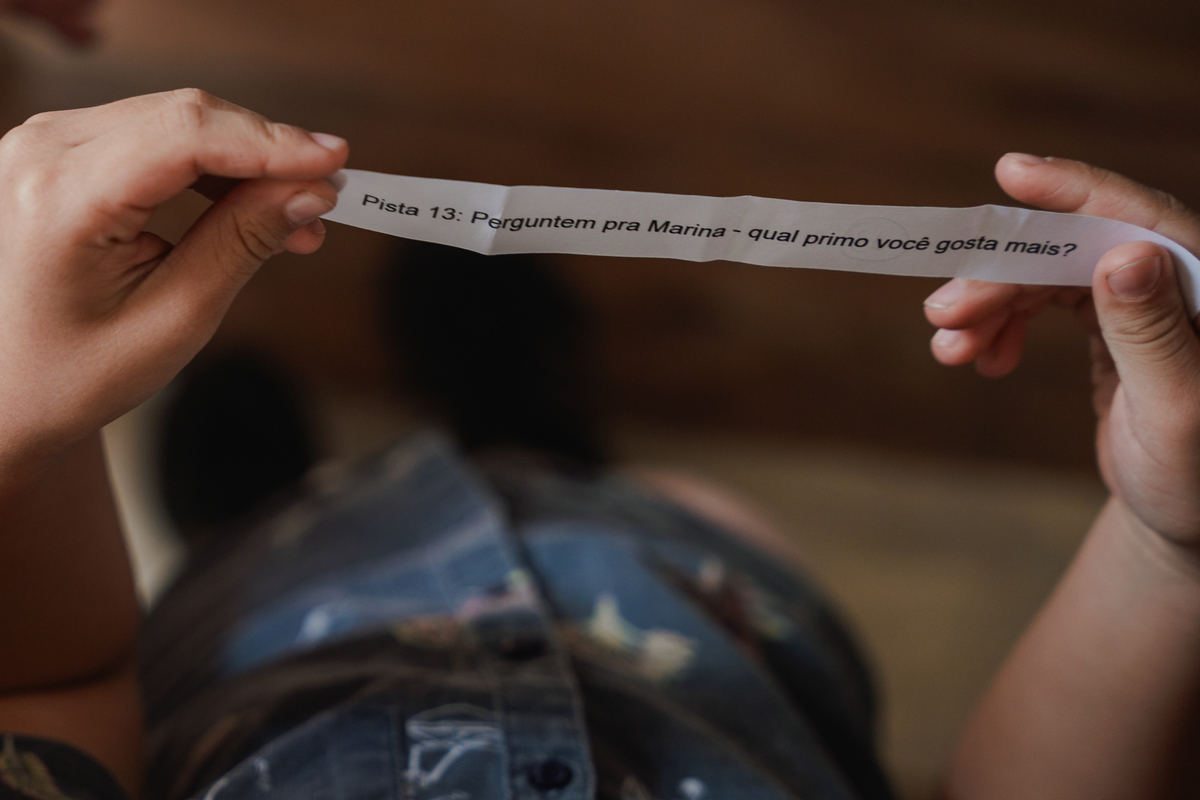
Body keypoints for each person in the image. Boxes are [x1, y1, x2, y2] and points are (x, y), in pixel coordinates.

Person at [2, 90, 1200, 800]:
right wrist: (1166, 544)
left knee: (258, 556)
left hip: (245, 640)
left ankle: (257, 516)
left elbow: (53, 686)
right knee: (602, 488)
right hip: (672, 582)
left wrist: (21, 434)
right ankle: (525, 431)